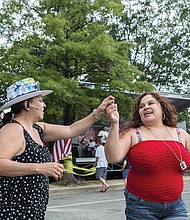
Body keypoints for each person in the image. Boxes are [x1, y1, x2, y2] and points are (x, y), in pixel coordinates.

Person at [0, 78, 115, 220]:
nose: (44, 105)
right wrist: (40, 168)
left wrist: (98, 111)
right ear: (27, 104)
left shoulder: (38, 128)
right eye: (40, 101)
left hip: (33, 210)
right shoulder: (13, 129)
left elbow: (72, 130)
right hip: (14, 210)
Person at [105, 92, 190, 219]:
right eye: (141, 106)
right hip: (141, 206)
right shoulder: (132, 133)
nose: (145, 107)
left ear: (162, 108)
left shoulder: (180, 134)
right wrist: (114, 124)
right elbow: (113, 157)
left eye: (150, 103)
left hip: (175, 206)